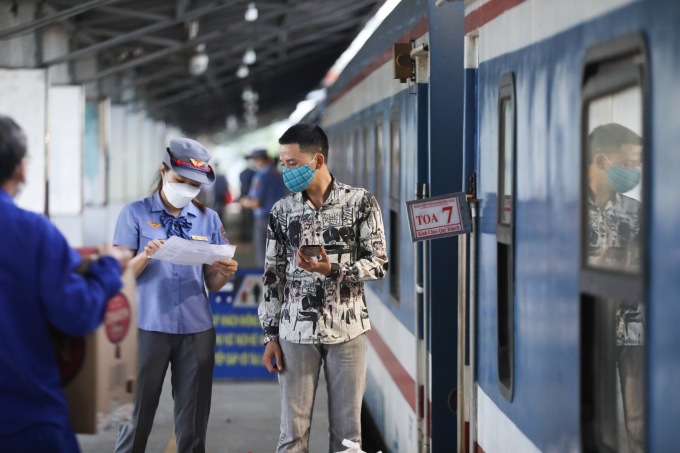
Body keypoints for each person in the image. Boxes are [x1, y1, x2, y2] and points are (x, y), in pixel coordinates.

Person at [0, 115, 129, 452]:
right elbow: (77, 314)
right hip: (26, 422)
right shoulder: (33, 233)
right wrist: (107, 270)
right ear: (21, 169)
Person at [258, 123, 388, 452]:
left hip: (348, 332)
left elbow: (380, 263)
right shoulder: (282, 212)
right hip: (294, 334)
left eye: (292, 164)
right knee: (292, 435)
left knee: (348, 437)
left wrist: (334, 270)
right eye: (282, 163)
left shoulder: (360, 203)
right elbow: (273, 278)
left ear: (317, 161)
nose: (285, 171)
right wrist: (270, 337)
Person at [113, 138, 239, 453]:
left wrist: (224, 270)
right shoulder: (135, 214)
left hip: (196, 330)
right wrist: (145, 256)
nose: (186, 189)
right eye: (180, 181)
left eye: (194, 184)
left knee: (193, 424)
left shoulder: (208, 219)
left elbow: (213, 283)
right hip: (147, 328)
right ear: (164, 171)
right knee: (135, 417)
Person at [586, 122, 644, 452]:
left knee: (640, 422)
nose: (634, 173)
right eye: (629, 164)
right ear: (602, 161)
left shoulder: (636, 212)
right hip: (592, 333)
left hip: (635, 331)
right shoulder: (569, 211)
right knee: (594, 418)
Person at [245, 148, 288, 267]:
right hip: (280, 218)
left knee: (262, 251)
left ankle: (264, 278)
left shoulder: (260, 176)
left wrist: (245, 202)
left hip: (264, 219)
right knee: (278, 251)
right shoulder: (280, 175)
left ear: (259, 161)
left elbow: (256, 202)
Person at [238, 164, 256, 242]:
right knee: (250, 219)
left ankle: (245, 236)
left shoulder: (243, 173)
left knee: (245, 218)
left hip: (245, 198)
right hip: (250, 198)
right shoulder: (254, 173)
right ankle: (249, 236)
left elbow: (243, 187)